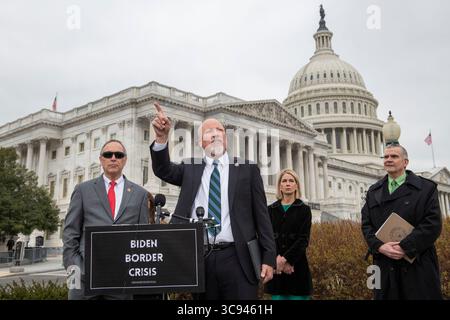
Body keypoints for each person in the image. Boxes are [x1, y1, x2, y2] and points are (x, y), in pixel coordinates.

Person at [150, 102, 276, 300]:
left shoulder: (247, 169)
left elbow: (262, 216)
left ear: (226, 138)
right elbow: (163, 169)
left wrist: (269, 257)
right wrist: (161, 138)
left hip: (238, 257)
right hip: (200, 257)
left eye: (220, 130)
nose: (216, 133)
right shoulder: (190, 167)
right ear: (201, 141)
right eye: (209, 131)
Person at [63, 139, 149, 300]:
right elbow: (70, 234)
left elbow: (141, 238)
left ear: (125, 160)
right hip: (83, 277)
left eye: (119, 154)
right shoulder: (83, 190)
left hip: (121, 279)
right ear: (101, 159)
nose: (113, 158)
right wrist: (75, 269)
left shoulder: (140, 194)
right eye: (108, 154)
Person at [361, 144, 443, 300]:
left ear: (405, 162)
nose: (389, 160)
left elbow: (432, 225)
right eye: (386, 157)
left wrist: (404, 247)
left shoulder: (426, 188)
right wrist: (379, 246)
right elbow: (366, 225)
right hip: (382, 265)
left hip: (417, 263)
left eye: (394, 156)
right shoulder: (373, 191)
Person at [265, 169, 313, 300]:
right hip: (277, 271)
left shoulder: (304, 210)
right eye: (284, 181)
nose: (288, 184)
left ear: (296, 185)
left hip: (297, 267)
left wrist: (286, 260)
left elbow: (303, 239)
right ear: (280, 186)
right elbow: (267, 238)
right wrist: (277, 261)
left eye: (291, 181)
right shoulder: (270, 210)